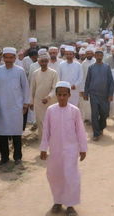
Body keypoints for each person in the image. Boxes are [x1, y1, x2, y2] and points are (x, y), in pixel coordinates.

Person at [40, 81, 87, 216]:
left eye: (64, 95)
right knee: (55, 176)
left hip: (71, 150)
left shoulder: (74, 111)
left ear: (69, 95)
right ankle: (57, 201)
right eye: (59, 95)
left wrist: (83, 148)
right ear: (55, 95)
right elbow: (46, 131)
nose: (61, 98)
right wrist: (43, 148)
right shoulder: (50, 110)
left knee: (71, 176)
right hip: (55, 150)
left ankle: (71, 204)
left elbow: (80, 131)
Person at [0, 47, 29, 165]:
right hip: (1, 106)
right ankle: (4, 158)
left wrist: (25, 103)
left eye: (10, 57)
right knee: (2, 133)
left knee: (16, 132)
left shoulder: (20, 71)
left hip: (16, 106)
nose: (8, 59)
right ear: (3, 58)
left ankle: (17, 156)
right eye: (6, 57)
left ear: (14, 58)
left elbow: (25, 88)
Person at [84, 48, 114, 141]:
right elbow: (87, 81)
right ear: (95, 56)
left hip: (104, 95)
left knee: (104, 113)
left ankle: (101, 127)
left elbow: (111, 81)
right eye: (97, 55)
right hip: (94, 95)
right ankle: (96, 133)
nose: (99, 57)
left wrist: (110, 94)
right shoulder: (91, 67)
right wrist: (86, 93)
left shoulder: (107, 67)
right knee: (94, 114)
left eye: (100, 55)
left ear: (102, 56)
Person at [30, 53, 58, 139]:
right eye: (42, 61)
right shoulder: (35, 73)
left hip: (51, 101)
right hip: (38, 102)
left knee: (51, 121)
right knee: (40, 122)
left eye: (46, 61)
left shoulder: (54, 73)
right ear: (39, 62)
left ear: (48, 61)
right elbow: (32, 88)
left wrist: (48, 97)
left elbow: (55, 88)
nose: (44, 63)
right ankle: (43, 143)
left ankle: (52, 140)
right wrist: (31, 102)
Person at [79, 46, 96, 122]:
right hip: (86, 86)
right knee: (86, 103)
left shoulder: (96, 62)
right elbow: (82, 77)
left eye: (90, 53)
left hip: (95, 86)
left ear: (93, 54)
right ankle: (87, 118)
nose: (89, 54)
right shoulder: (83, 64)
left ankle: (93, 119)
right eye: (87, 53)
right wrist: (82, 89)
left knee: (94, 103)